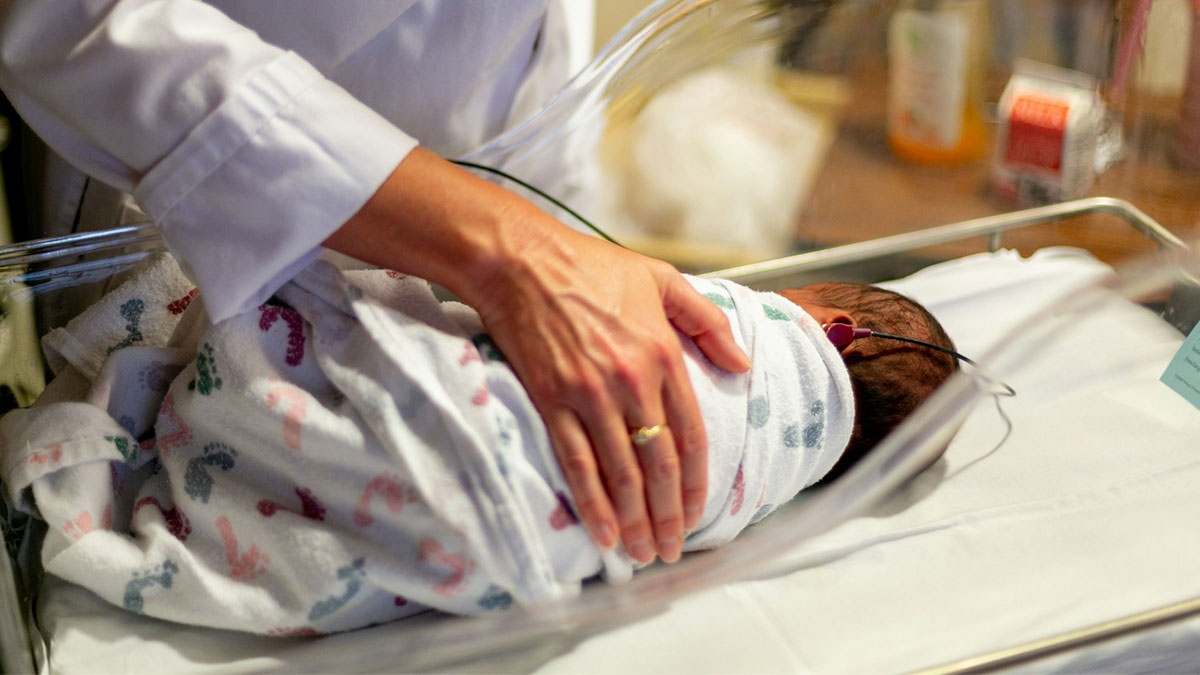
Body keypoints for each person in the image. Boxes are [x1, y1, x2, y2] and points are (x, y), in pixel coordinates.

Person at [0, 1, 752, 567]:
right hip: (206, 181)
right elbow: (70, 17)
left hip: (507, 162)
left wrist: (550, 239)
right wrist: (509, 252)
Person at [0, 253, 958, 631]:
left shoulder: (757, 332)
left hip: (474, 427)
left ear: (834, 329)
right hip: (505, 538)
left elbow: (609, 310)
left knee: (323, 296)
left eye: (804, 297)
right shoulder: (766, 486)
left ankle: (210, 409)